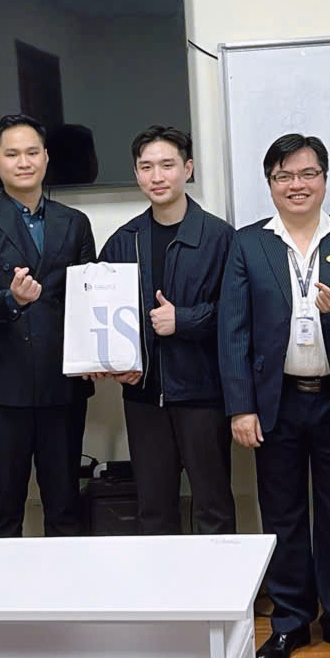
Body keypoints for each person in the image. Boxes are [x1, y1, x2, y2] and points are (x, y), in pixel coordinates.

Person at [220, 133, 330, 658]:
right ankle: (290, 621)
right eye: (284, 176)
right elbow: (233, 332)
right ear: (271, 183)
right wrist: (241, 407)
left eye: (307, 174)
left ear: (324, 179)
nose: (296, 185)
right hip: (275, 402)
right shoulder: (249, 244)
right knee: (283, 514)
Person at [0, 114, 96, 537]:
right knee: (4, 506)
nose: (24, 162)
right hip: (2, 386)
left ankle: (66, 581)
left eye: (32, 152)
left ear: (46, 158)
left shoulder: (75, 222)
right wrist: (12, 299)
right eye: (12, 154)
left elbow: (88, 298)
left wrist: (98, 354)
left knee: (65, 503)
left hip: (62, 382)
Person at [99, 125, 236, 535]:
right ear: (136, 173)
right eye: (146, 167)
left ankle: (219, 579)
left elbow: (237, 315)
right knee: (154, 510)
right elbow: (104, 315)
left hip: (203, 394)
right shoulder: (124, 240)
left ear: (187, 169)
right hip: (143, 396)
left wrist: (184, 320)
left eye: (167, 165)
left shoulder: (219, 237)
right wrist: (115, 362)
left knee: (213, 506)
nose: (157, 176)